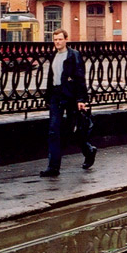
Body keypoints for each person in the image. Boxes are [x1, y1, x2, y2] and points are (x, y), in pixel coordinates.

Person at [40, 29, 97, 177]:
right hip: (56, 96)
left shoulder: (74, 55)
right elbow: (51, 78)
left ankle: (89, 150)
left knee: (74, 131)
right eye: (55, 40)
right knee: (53, 131)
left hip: (71, 96)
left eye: (60, 39)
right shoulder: (54, 55)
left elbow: (80, 78)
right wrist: (48, 97)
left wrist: (81, 99)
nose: (57, 42)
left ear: (66, 40)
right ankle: (53, 168)